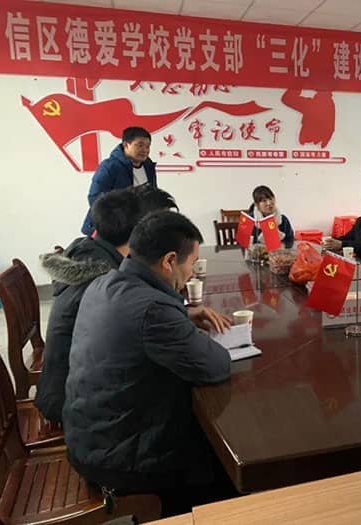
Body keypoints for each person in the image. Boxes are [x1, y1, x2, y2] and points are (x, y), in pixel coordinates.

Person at [62, 211, 233, 513]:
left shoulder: (105, 283)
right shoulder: (154, 311)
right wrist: (184, 327)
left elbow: (136, 323)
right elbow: (215, 366)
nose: (192, 273)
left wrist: (182, 316)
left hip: (90, 438)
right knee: (224, 474)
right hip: (121, 460)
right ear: (169, 261)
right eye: (192, 263)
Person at [37, 189, 152, 423]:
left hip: (60, 387)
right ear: (138, 232)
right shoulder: (106, 280)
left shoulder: (88, 251)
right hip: (73, 404)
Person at [81, 126, 156, 235]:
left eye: (148, 146)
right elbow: (95, 198)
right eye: (140, 145)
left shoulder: (148, 166)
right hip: (110, 227)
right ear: (126, 145)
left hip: (137, 226)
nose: (145, 150)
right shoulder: (109, 166)